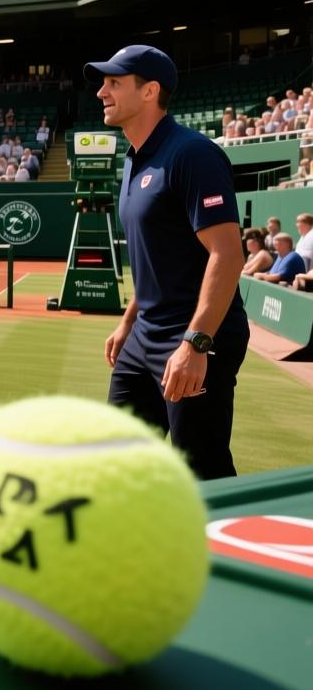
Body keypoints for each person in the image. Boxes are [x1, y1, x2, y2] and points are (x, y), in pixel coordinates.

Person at [88, 45, 247, 481]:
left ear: (150, 91)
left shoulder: (191, 154)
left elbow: (228, 254)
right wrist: (128, 322)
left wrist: (196, 345)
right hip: (145, 337)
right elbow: (158, 260)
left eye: (114, 82)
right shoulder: (133, 159)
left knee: (201, 469)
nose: (102, 90)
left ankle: (220, 546)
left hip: (197, 335)